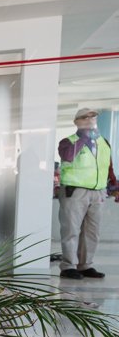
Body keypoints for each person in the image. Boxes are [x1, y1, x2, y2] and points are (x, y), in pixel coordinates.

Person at [57, 107, 112, 280]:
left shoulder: (103, 142)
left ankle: (85, 265)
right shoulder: (68, 142)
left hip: (98, 192)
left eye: (92, 116)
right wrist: (83, 137)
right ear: (76, 122)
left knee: (92, 231)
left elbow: (108, 166)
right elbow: (68, 156)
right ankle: (68, 266)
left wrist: (113, 186)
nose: (89, 119)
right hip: (75, 191)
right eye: (85, 117)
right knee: (71, 230)